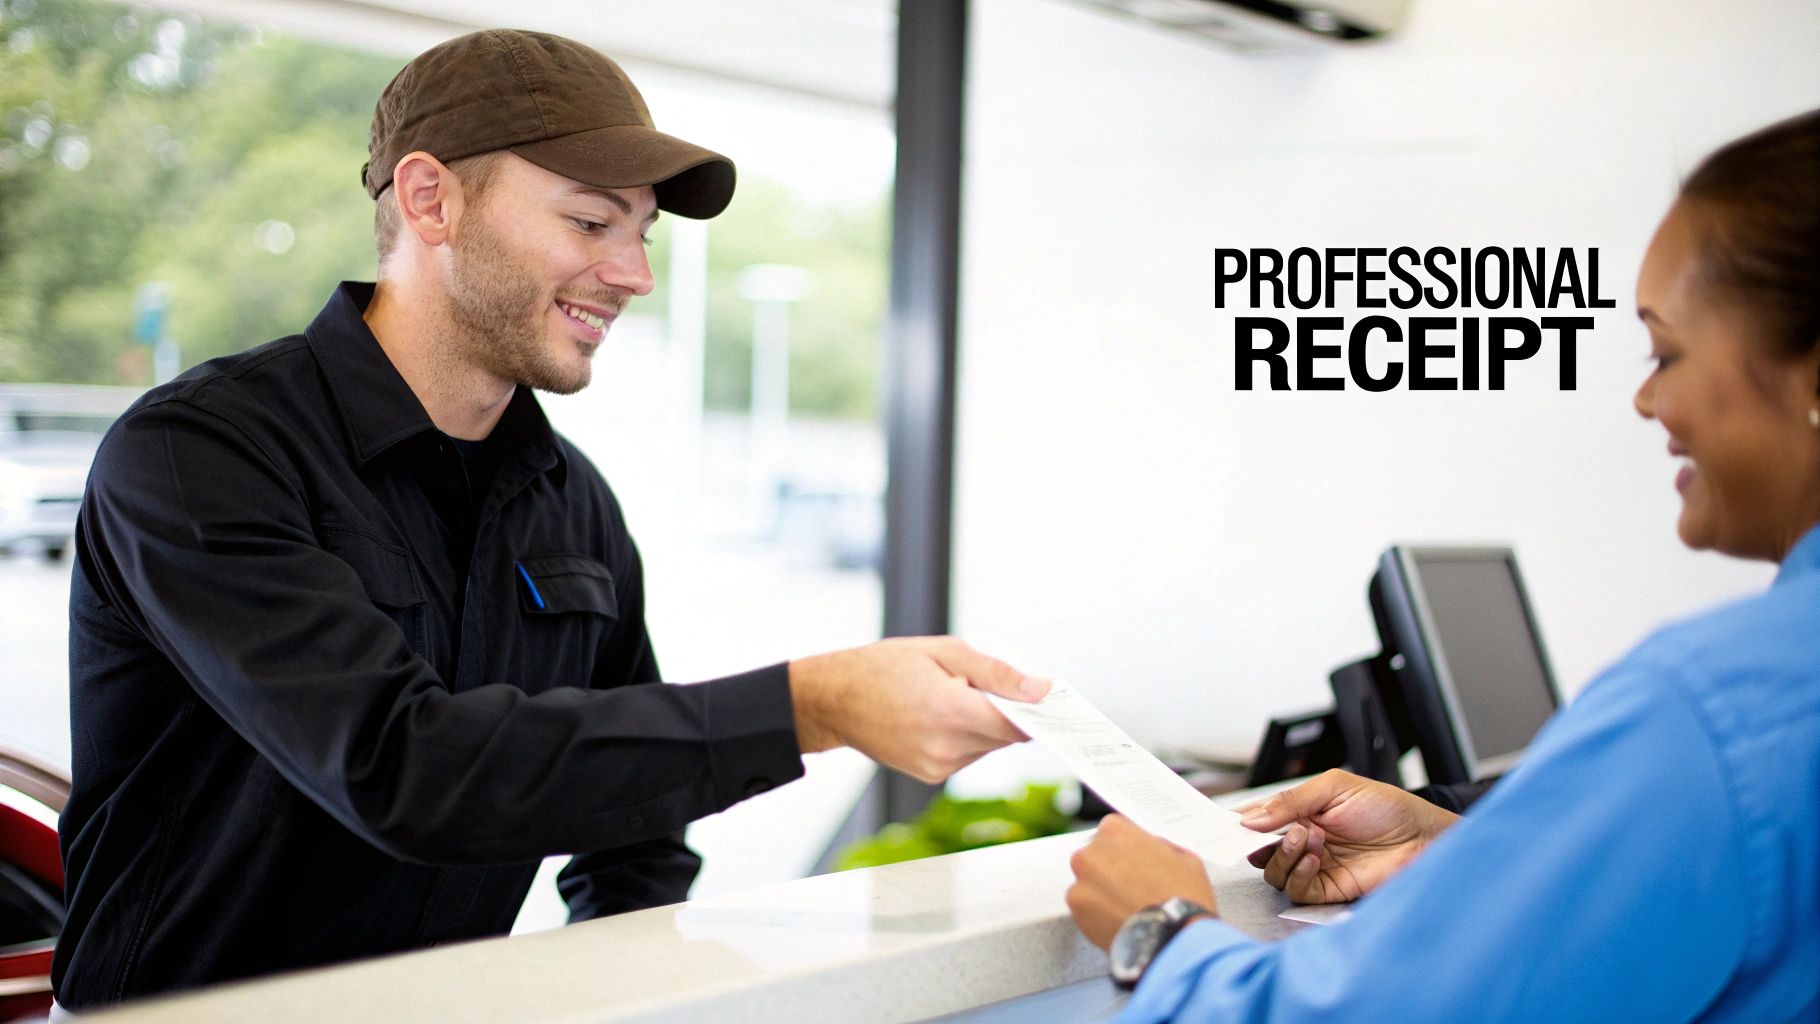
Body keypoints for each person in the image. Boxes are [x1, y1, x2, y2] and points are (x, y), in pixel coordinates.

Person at [53, 30, 1047, 1010]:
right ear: (429, 198)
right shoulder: (205, 454)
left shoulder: (570, 502)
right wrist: (811, 706)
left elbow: (636, 839)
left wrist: (613, 985)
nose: (634, 275)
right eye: (588, 223)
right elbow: (400, 765)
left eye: (641, 233)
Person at [1067, 108, 1820, 1022]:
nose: (1645, 396)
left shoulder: (1718, 710)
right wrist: (1474, 856)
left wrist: (1161, 927)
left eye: (1665, 350)